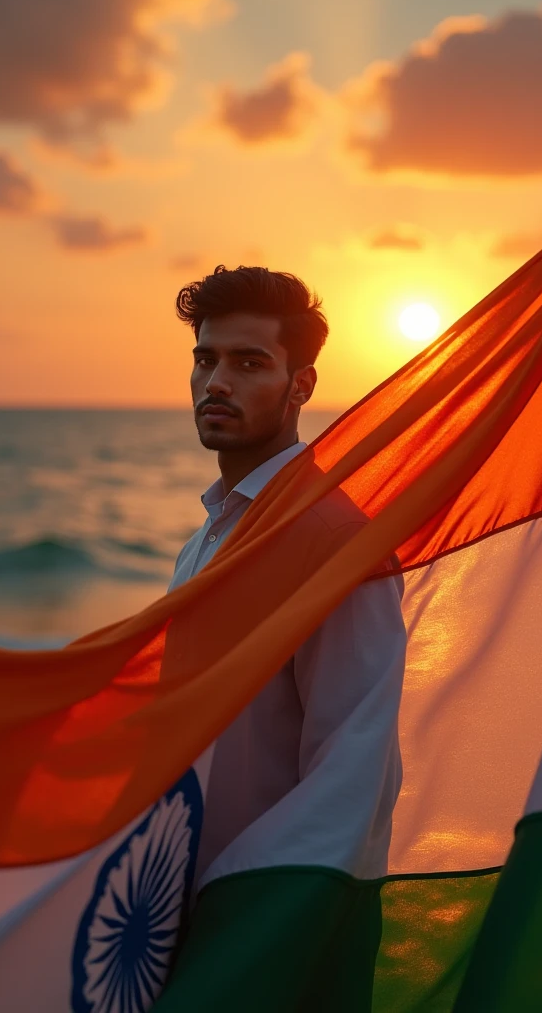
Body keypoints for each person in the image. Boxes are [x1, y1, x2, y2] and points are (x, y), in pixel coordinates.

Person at [159, 264, 407, 1008]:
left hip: (273, 936)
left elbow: (352, 777)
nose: (217, 383)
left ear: (301, 386)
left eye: (249, 362)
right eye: (206, 359)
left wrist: (249, 934)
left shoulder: (329, 540)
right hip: (185, 910)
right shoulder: (208, 537)